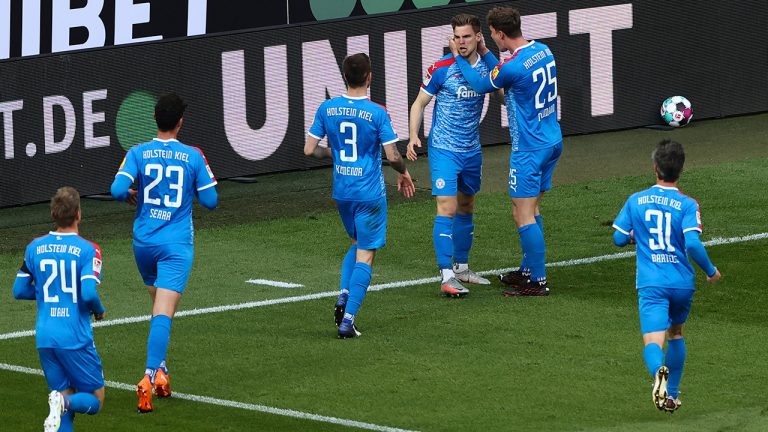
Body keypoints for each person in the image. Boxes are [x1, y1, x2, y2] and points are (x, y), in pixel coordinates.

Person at [111, 93, 218, 413]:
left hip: (143, 244)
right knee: (163, 313)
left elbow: (117, 190)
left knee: (159, 307)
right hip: (175, 246)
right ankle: (147, 376)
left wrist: (134, 192)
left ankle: (162, 373)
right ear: (180, 122)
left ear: (155, 120)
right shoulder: (193, 155)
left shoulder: (138, 152)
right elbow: (211, 201)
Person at [450, 6, 562, 296]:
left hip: (529, 148)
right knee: (530, 208)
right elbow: (503, 73)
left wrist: (456, 56)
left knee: (522, 214)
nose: (491, 38)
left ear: (500, 33)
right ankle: (527, 271)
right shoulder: (543, 50)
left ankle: (537, 280)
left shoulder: (512, 66)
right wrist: (488, 52)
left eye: (491, 34)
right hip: (550, 141)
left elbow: (478, 83)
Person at [305, 53, 415, 338]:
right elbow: (392, 155)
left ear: (344, 76)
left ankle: (343, 294)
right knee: (367, 253)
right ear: (369, 77)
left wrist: (337, 153)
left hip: (342, 191)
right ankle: (348, 320)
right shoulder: (377, 112)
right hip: (369, 193)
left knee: (356, 243)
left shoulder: (327, 108)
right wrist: (403, 172)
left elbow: (309, 150)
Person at [612, 139, 721, 412]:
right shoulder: (687, 204)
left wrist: (635, 237)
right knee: (676, 333)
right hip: (682, 283)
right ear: (680, 170)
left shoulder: (636, 200)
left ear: (655, 168)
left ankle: (658, 375)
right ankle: (671, 395)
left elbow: (618, 238)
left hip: (652, 283)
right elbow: (693, 244)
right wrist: (710, 271)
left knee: (653, 341)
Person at [407, 13, 499, 297]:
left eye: (467, 36)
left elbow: (505, 97)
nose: (461, 42)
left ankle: (461, 267)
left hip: (471, 150)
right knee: (446, 207)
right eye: (457, 37)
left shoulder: (487, 68)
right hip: (444, 149)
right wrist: (413, 135)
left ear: (478, 37)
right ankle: (446, 274)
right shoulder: (441, 68)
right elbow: (419, 103)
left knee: (467, 205)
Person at [13, 187, 106, 432]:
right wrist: (99, 310)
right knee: (95, 400)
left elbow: (19, 290)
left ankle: (61, 402)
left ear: (54, 214)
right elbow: (88, 293)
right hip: (73, 336)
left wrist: (46, 293)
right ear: (78, 214)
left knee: (63, 410)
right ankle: (63, 401)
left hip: (45, 337)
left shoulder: (34, 247)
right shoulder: (88, 249)